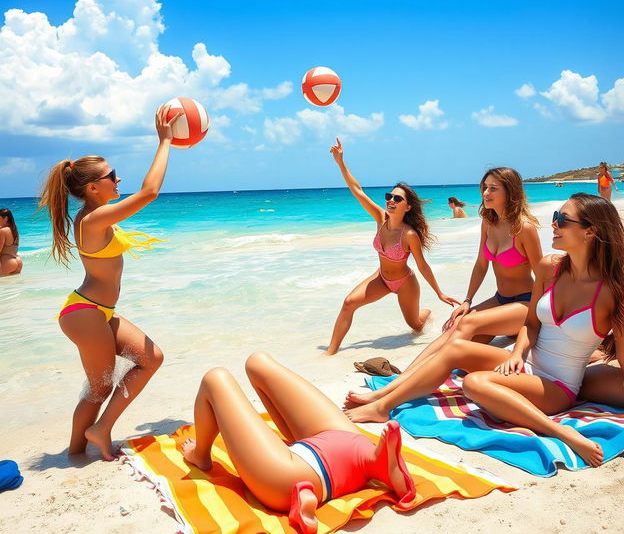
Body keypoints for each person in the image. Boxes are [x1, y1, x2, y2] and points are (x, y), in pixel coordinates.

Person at [344, 193, 624, 468]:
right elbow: (532, 324)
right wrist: (518, 352)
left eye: (562, 220)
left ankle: (561, 432)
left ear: (590, 231)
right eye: (555, 216)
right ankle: (384, 404)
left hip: (557, 387)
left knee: (474, 384)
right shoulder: (550, 267)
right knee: (455, 348)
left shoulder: (615, 291)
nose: (553, 224)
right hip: (523, 365)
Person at [38, 106, 177, 460]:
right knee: (98, 388)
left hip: (99, 311)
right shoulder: (92, 219)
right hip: (84, 312)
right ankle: (77, 451)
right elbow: (149, 192)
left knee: (151, 358)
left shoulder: (95, 216)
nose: (118, 181)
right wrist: (165, 142)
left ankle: (95, 433)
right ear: (93, 187)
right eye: (113, 176)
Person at [345, 168, 542, 406]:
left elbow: (541, 275)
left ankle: (389, 394)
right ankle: (405, 377)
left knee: (467, 324)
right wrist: (467, 301)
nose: (485, 192)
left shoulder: (524, 228)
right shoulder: (488, 223)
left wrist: (541, 319)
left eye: (493, 188)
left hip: (524, 302)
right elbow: (481, 265)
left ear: (510, 192)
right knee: (453, 327)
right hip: (501, 299)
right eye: (484, 187)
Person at [180, 352, 416, 534]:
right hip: (347, 446)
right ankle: (377, 463)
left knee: (215, 378)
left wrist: (201, 450)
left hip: (292, 478)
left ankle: (200, 455)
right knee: (257, 363)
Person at [325, 138, 459, 355]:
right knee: (349, 302)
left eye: (398, 198)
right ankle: (330, 352)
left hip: (405, 283)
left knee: (415, 325)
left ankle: (427, 314)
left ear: (407, 206)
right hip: (381, 279)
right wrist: (340, 162)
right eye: (390, 196)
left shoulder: (409, 235)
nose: (391, 201)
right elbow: (357, 190)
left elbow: (422, 266)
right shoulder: (380, 218)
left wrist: (439, 293)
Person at [0, 208, 22, 276]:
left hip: (7, 262)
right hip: (18, 261)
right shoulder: (14, 230)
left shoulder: (3, 231)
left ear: (6, 218)